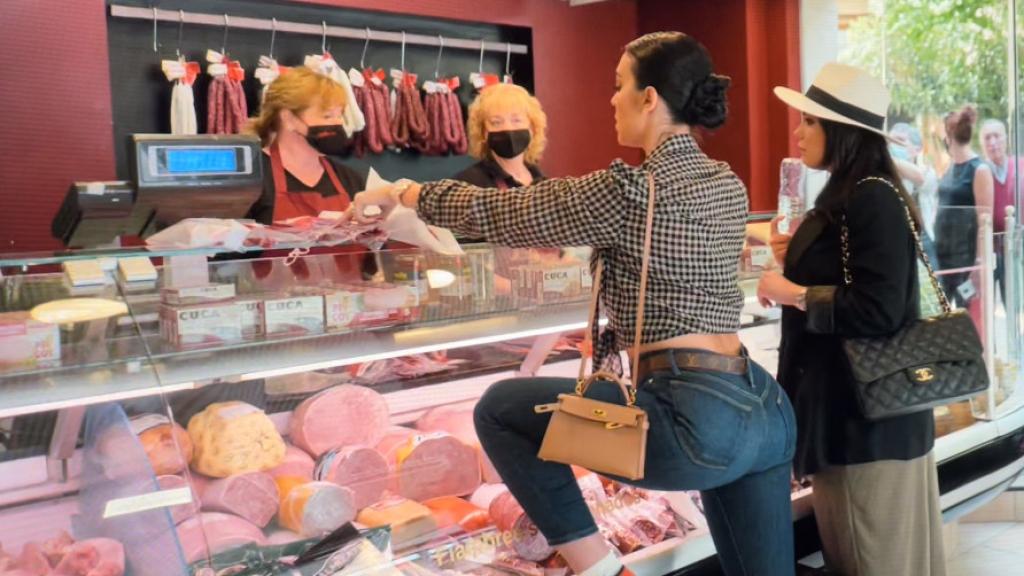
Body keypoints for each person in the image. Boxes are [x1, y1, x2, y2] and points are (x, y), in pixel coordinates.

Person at [349, 32, 796, 576]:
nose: (610, 99)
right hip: (763, 410)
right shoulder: (726, 183)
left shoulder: (630, 190)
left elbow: (505, 215)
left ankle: (603, 569)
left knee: (501, 410)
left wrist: (405, 193)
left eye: (618, 86)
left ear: (649, 98)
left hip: (688, 423)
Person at [758, 62, 946, 576]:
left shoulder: (870, 197)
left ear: (842, 131)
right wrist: (792, 256)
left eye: (810, 122)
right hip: (864, 420)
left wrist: (793, 291)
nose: (797, 131)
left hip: (865, 425)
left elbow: (879, 309)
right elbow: (854, 282)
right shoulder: (858, 192)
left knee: (872, 558)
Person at [247, 67, 367, 224]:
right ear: (288, 118)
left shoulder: (350, 179)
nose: (338, 123)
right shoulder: (251, 177)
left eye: (340, 115)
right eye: (327, 116)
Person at [934, 106, 994, 310]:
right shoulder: (950, 166)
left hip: (964, 258)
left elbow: (985, 219)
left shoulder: (979, 169)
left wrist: (979, 262)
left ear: (949, 135)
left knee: (964, 313)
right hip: (943, 254)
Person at [454, 83, 547, 189]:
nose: (508, 128)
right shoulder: (468, 184)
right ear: (483, 132)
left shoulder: (542, 181)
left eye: (516, 120)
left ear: (532, 128)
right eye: (496, 122)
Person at [980, 118, 1020, 303]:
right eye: (987, 138)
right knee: (986, 303)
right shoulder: (980, 171)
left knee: (1015, 303)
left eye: (996, 136)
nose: (992, 142)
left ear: (1006, 139)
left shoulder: (1020, 166)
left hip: (1017, 247)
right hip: (990, 249)